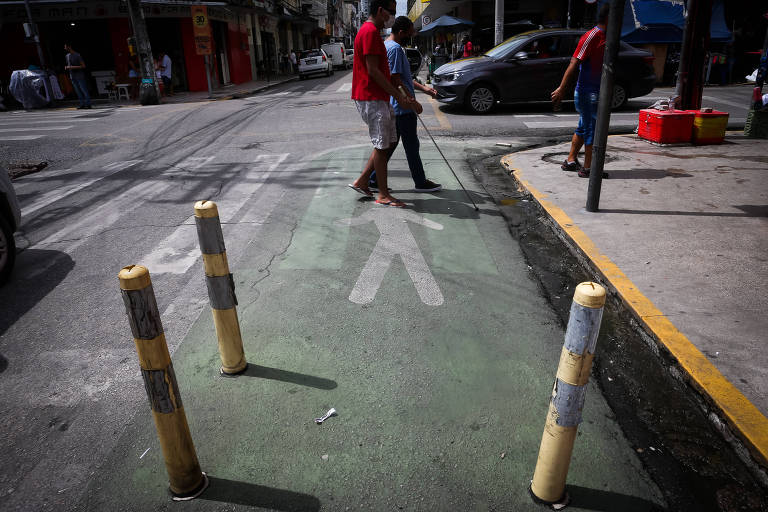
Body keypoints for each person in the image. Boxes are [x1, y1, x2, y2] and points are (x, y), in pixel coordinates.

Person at [348, 0, 421, 208]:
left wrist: (404, 95)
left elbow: (387, 74)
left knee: (385, 143)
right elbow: (373, 71)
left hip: (378, 96)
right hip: (371, 96)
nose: (392, 17)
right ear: (380, 11)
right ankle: (382, 194)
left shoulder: (373, 33)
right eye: (391, 12)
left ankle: (363, 181)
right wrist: (398, 96)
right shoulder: (370, 32)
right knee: (382, 146)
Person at [365, 16, 441, 193]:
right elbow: (396, 79)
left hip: (396, 105)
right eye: (410, 33)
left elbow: (403, 77)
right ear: (401, 32)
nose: (412, 36)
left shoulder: (387, 46)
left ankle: (373, 179)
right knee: (411, 146)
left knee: (390, 146)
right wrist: (412, 102)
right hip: (402, 107)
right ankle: (420, 182)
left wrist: (425, 89)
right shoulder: (395, 49)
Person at [551, 3, 609, 178]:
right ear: (610, 18)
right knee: (592, 130)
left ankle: (570, 161)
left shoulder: (607, 36)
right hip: (588, 93)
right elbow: (574, 63)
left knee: (584, 127)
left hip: (594, 92)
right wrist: (561, 89)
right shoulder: (592, 36)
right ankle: (589, 168)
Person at [64, 43, 91, 109]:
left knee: (84, 90)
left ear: (69, 47)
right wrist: (67, 67)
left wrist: (71, 67)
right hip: (72, 76)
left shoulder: (77, 55)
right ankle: (82, 104)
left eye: (65, 47)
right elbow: (69, 65)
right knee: (77, 91)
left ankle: (88, 104)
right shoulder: (67, 56)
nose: (65, 48)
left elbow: (83, 66)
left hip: (79, 75)